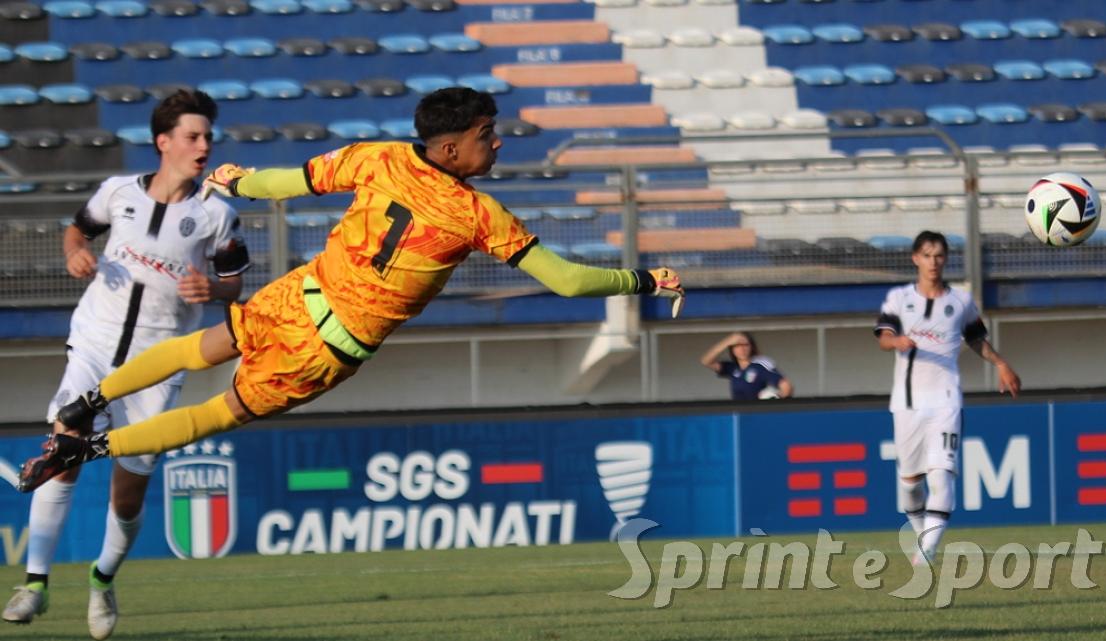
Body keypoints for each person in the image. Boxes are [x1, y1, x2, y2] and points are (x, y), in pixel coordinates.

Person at [16, 88, 684, 502]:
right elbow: (568, 280)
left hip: (297, 292)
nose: (497, 142)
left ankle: (85, 403)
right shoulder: (480, 215)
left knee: (198, 347)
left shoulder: (378, 156)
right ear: (451, 149)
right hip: (329, 345)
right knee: (218, 412)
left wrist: (237, 181)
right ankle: (86, 448)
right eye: (487, 134)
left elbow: (285, 183)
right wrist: (645, 279)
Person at [3, 90, 248, 639]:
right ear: (163, 142)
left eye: (207, 137)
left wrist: (213, 288)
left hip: (157, 364)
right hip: (94, 345)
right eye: (192, 136)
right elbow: (77, 229)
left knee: (129, 489)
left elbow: (234, 284)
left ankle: (103, 578)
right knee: (62, 450)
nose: (204, 146)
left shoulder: (217, 214)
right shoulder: (117, 192)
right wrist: (74, 251)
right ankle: (35, 583)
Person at [873, 230, 1020, 565]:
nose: (933, 262)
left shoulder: (961, 302)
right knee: (910, 484)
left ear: (946, 259)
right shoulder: (899, 298)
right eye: (927, 255)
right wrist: (896, 342)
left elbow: (976, 339)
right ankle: (922, 536)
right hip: (907, 403)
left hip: (946, 401)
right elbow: (883, 337)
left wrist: (1001, 364)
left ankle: (928, 549)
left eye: (939, 255)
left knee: (942, 474)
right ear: (915, 258)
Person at [700, 332, 793, 400]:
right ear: (732, 349)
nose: (742, 349)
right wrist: (726, 342)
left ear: (751, 347)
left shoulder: (760, 364)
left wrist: (775, 401)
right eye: (737, 345)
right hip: (740, 415)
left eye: (745, 345)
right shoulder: (733, 368)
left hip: (759, 415)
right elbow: (706, 361)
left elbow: (786, 386)